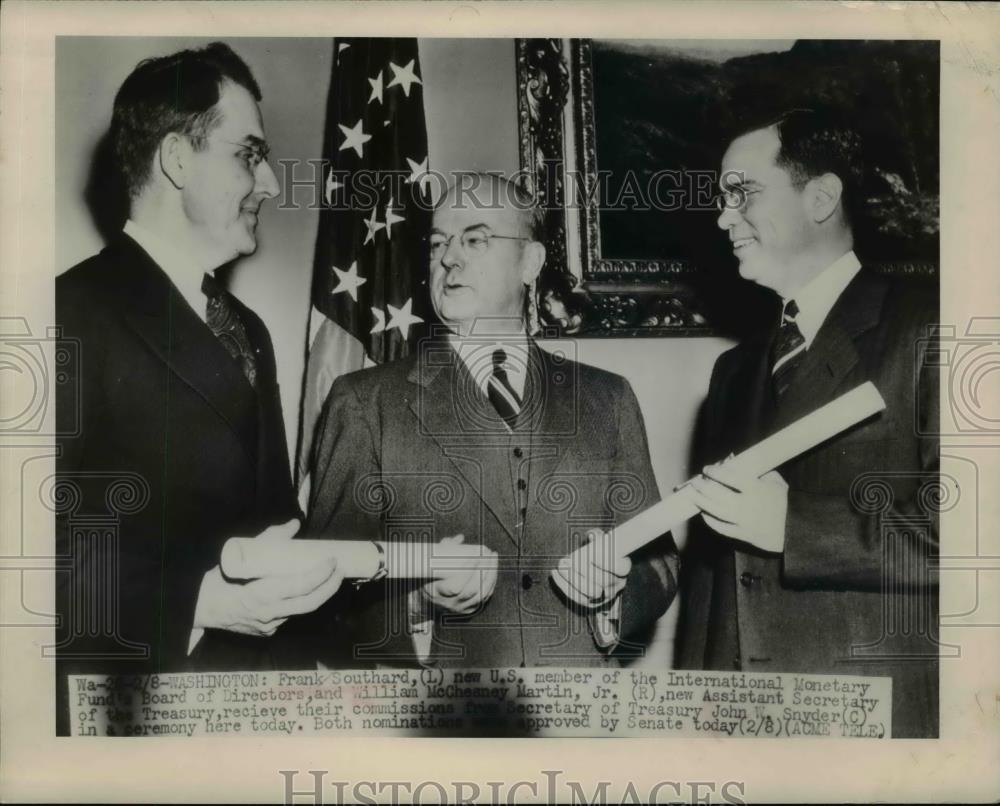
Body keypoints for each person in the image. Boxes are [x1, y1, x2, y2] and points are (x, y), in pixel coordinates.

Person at [55, 43, 343, 728]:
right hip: (136, 716)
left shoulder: (248, 328)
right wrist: (199, 602)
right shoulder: (60, 313)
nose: (271, 182)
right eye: (249, 154)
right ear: (178, 160)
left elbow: (271, 524)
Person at [300, 173, 678, 668]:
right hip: (435, 729)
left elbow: (660, 562)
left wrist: (613, 593)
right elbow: (317, 588)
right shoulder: (363, 403)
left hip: (578, 727)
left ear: (531, 261)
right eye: (438, 243)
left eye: (475, 239)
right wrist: (415, 605)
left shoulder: (608, 398)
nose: (449, 258)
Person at [676, 108, 939, 737]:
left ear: (821, 197)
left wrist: (791, 526)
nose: (722, 216)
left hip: (872, 728)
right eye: (720, 198)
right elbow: (712, 580)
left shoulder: (933, 328)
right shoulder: (734, 373)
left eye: (741, 192)